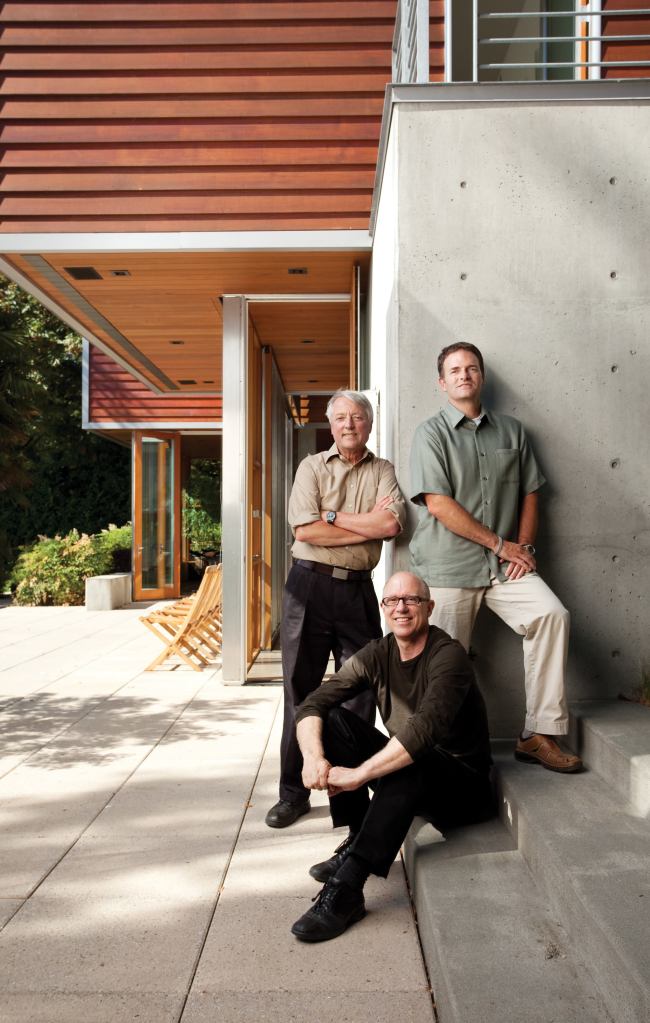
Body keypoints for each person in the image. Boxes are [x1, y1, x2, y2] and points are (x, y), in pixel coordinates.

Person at [290, 570, 494, 942]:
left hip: (464, 789)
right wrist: (313, 758)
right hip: (417, 771)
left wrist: (357, 776)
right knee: (334, 720)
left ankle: (348, 885)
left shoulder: (448, 656)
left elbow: (423, 731)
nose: (401, 608)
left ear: (429, 607)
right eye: (392, 601)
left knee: (413, 754)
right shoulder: (379, 652)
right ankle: (358, 834)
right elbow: (313, 705)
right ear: (383, 608)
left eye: (411, 600)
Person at [408, 342, 582, 773]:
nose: (464, 375)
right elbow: (438, 504)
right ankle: (443, 754)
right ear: (442, 382)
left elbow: (530, 492)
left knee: (551, 615)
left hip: (504, 567)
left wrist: (522, 550)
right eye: (454, 370)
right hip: (449, 567)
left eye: (471, 368)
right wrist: (501, 546)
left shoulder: (513, 431)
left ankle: (538, 734)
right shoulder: (430, 434)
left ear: (481, 377)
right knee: (444, 663)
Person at [265, 389, 406, 829]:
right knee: (300, 690)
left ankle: (349, 792)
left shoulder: (383, 469)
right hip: (307, 588)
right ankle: (293, 793)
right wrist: (354, 525)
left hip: (358, 592)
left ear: (369, 423)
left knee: (361, 691)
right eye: (341, 417)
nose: (350, 424)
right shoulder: (311, 467)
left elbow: (390, 524)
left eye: (358, 416)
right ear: (331, 425)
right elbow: (302, 529)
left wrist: (330, 518)